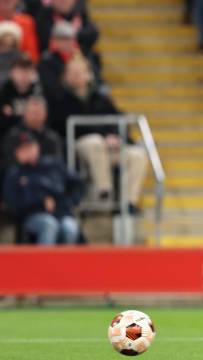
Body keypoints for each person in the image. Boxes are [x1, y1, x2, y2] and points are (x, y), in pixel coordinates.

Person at [48, 56, 147, 213]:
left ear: (89, 75)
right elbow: (62, 126)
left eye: (80, 72)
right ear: (65, 76)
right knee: (94, 141)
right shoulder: (59, 99)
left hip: (107, 148)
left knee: (137, 154)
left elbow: (118, 119)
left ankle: (129, 203)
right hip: (79, 148)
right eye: (72, 73)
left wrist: (116, 136)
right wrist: (103, 135)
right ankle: (104, 191)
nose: (76, 76)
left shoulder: (100, 98)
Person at [2, 134, 85, 244]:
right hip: (32, 214)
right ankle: (45, 261)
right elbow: (12, 202)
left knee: (70, 228)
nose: (28, 151)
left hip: (61, 212)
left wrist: (67, 202)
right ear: (17, 152)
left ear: (37, 147)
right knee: (49, 225)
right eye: (23, 149)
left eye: (30, 147)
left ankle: (66, 261)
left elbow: (78, 184)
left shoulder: (54, 165)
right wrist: (40, 201)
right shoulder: (15, 173)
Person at [2, 96, 62, 169]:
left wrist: (37, 160)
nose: (35, 116)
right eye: (33, 112)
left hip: (47, 176)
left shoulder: (52, 138)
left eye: (38, 113)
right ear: (25, 113)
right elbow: (7, 164)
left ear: (45, 114)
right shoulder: (13, 136)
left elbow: (57, 165)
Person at [0, 54, 42, 137]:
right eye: (20, 70)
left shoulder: (39, 92)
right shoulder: (3, 94)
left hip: (34, 138)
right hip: (7, 138)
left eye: (27, 70)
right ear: (12, 73)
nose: (24, 74)